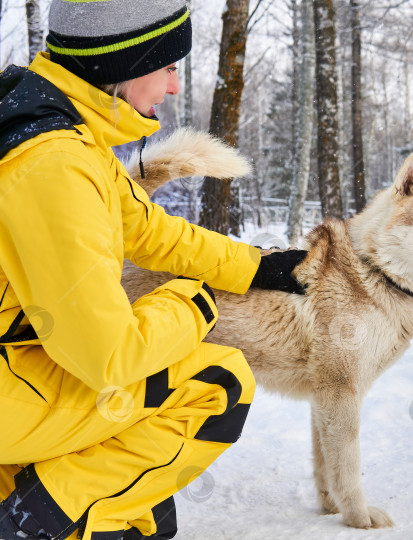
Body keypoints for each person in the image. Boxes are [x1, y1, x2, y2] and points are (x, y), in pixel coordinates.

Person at [0, 1, 306, 538]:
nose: (174, 88)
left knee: (145, 507)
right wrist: (196, 301)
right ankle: (27, 522)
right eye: (167, 67)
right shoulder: (56, 164)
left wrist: (258, 268)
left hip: (14, 367)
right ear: (124, 61)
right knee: (216, 380)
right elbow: (108, 356)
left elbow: (149, 232)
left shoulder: (55, 129)